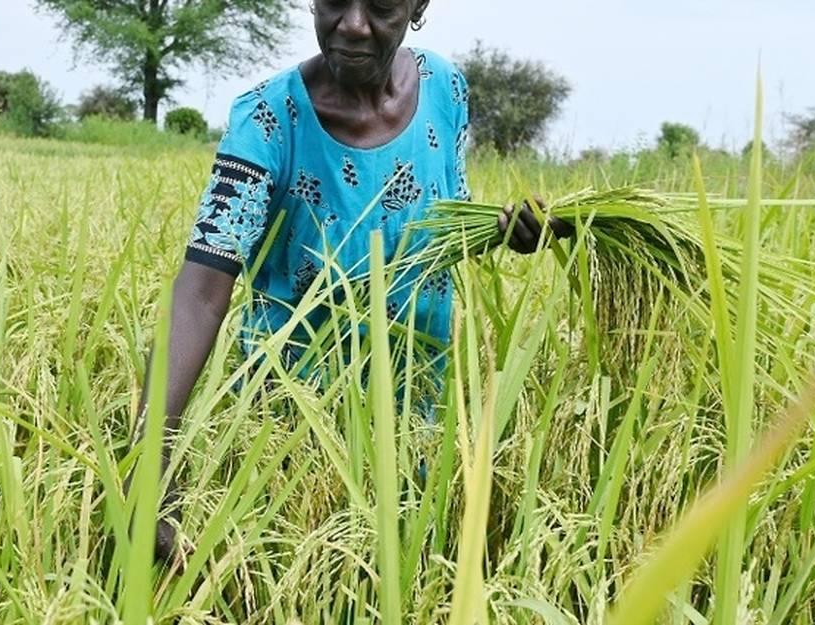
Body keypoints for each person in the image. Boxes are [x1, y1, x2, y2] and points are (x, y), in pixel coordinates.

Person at [136, 0, 573, 561]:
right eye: (335, 1)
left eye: (382, 5)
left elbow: (434, 222)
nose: (353, 25)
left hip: (422, 421)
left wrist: (506, 228)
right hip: (293, 441)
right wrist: (150, 463)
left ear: (418, 6)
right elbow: (200, 292)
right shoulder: (268, 121)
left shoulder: (446, 90)